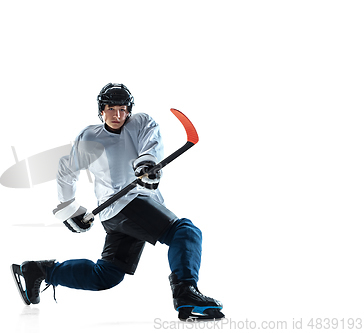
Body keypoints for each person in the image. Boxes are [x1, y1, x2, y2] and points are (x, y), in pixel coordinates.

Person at [11, 83, 224, 321]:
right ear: (101, 110)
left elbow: (150, 145)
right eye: (111, 109)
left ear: (129, 110)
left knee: (106, 275)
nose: (117, 115)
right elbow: (67, 169)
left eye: (122, 109)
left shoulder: (142, 123)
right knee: (185, 232)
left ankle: (39, 270)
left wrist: (147, 165)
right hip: (122, 206)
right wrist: (69, 208)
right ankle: (186, 293)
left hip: (129, 210)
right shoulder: (91, 136)